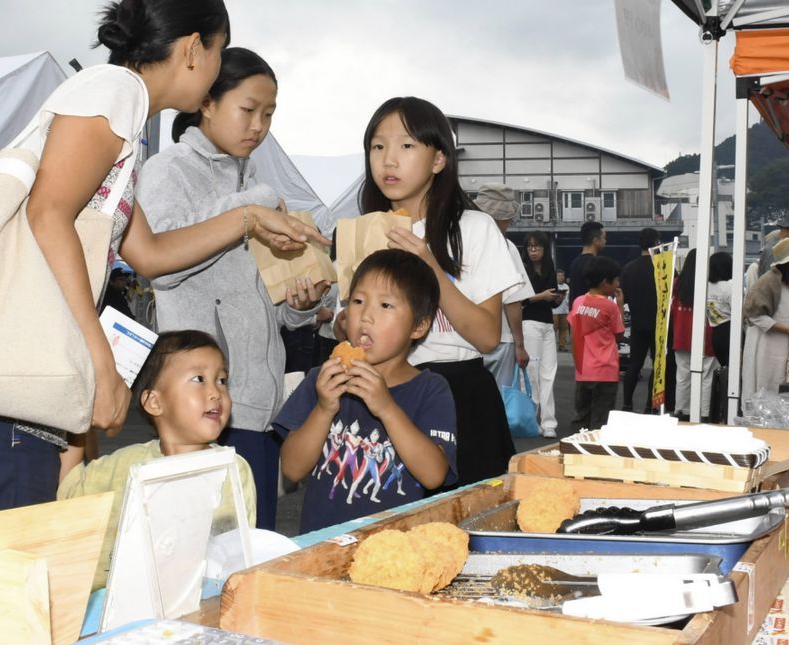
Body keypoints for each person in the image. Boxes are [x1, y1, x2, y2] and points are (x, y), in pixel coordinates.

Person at [0, 0, 323, 516]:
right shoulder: (115, 92)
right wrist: (101, 362)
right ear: (194, 49)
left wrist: (248, 218)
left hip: (17, 404)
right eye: (220, 52)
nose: (218, 68)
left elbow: (152, 256)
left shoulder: (125, 122)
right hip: (5, 406)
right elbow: (49, 214)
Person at [135, 48, 328, 530]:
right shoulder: (169, 170)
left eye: (269, 114)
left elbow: (265, 300)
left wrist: (300, 309)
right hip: (205, 408)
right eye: (248, 109)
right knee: (204, 558)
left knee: (251, 550)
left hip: (259, 408)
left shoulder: (255, 183)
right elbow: (161, 265)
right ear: (207, 103)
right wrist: (251, 209)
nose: (259, 126)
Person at [354, 96, 523, 487]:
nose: (388, 160)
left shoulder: (475, 228)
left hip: (460, 392)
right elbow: (356, 333)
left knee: (464, 522)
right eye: (378, 146)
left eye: (406, 145)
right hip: (381, 392)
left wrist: (430, 267)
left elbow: (485, 336)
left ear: (439, 160)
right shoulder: (362, 233)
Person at [273, 250, 457, 533]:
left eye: (385, 305)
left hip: (393, 547)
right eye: (358, 301)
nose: (366, 316)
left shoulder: (430, 389)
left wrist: (387, 408)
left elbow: (434, 475)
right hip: (321, 545)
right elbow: (292, 469)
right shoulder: (321, 379)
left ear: (419, 326)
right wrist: (324, 409)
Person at [57, 330, 256, 590]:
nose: (215, 392)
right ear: (154, 402)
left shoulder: (231, 471)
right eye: (199, 379)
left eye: (221, 380)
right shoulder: (123, 466)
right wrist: (78, 406)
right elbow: (69, 493)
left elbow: (234, 560)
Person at [475, 184, 533, 390]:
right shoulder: (506, 247)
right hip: (502, 338)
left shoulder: (462, 244)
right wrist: (520, 345)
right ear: (504, 218)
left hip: (467, 338)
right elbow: (513, 301)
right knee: (502, 403)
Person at [742, 238, 789, 402]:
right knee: (769, 387)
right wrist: (787, 330)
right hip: (769, 348)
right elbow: (754, 315)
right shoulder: (768, 281)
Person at [568, 255, 624, 433]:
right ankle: (594, 456)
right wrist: (620, 306)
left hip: (583, 370)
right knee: (600, 422)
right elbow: (619, 334)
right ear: (604, 282)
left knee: (581, 417)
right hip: (605, 371)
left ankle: (573, 453)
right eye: (615, 280)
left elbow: (574, 331)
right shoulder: (610, 307)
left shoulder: (578, 302)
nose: (617, 283)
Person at [522, 231, 561, 438]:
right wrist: (541, 297)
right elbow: (519, 301)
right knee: (532, 374)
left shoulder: (549, 269)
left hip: (547, 323)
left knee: (549, 374)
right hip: (529, 323)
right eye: (530, 247)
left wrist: (555, 299)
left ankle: (548, 423)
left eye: (537, 247)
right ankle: (532, 420)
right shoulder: (522, 270)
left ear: (545, 249)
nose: (533, 251)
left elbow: (551, 296)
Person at [672, 249, 718, 421]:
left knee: (683, 376)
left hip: (681, 335)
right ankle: (703, 413)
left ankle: (681, 410)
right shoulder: (709, 285)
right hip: (705, 336)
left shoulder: (676, 283)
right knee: (706, 377)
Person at [620, 227, 660, 412]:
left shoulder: (628, 268)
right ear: (657, 242)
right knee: (657, 364)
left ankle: (627, 403)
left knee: (634, 364)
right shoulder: (662, 267)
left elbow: (623, 297)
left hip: (637, 323)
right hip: (658, 324)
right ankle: (650, 405)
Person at [568, 220, 606, 311]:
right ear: (596, 240)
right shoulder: (596, 264)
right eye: (604, 238)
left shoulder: (575, 263)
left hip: (576, 316)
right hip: (591, 317)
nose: (606, 241)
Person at [707, 251, 733, 368]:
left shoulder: (706, 286)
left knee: (724, 368)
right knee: (734, 370)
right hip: (730, 330)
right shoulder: (731, 286)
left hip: (716, 334)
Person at [552, 270, 570, 352]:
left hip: (564, 311)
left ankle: (562, 346)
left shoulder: (567, 286)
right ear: (555, 277)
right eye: (559, 276)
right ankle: (551, 346)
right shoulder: (553, 286)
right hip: (554, 311)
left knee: (563, 329)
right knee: (553, 330)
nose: (561, 277)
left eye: (562, 276)